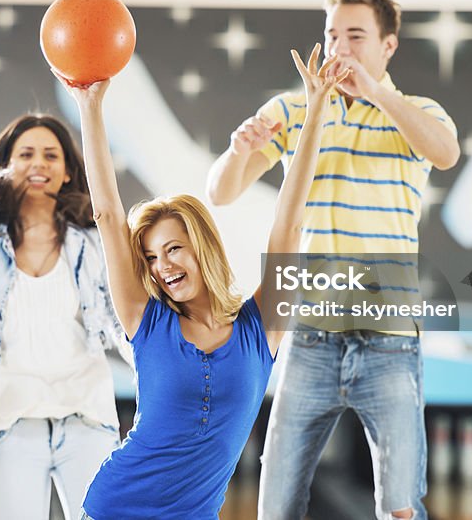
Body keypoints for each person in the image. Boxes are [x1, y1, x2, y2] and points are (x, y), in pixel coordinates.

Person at [208, 0, 460, 519]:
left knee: (400, 507)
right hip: (309, 338)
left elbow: (444, 151)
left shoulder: (417, 112)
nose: (339, 47)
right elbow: (221, 192)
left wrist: (377, 96)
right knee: (275, 504)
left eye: (355, 36)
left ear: (388, 46)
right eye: (331, 34)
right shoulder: (293, 109)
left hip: (389, 341)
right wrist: (238, 151)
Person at [59, 44, 335, 520]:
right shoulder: (145, 321)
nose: (162, 265)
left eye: (173, 249)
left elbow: (289, 227)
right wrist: (91, 106)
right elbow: (106, 214)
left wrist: (314, 117)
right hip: (115, 508)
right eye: (150, 257)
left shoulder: (261, 329)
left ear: (201, 246)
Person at [0, 114, 132, 520]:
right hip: (8, 424)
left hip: (88, 419)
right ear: (5, 166)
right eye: (26, 154)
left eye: (51, 155)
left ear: (67, 172)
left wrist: (156, 367)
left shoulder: (94, 243)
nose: (39, 164)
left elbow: (124, 325)